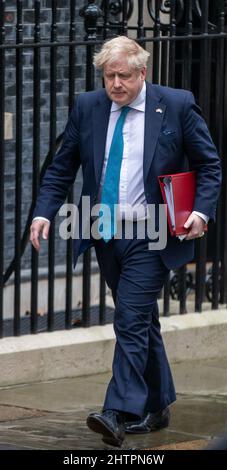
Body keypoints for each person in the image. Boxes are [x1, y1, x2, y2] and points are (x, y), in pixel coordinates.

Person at [30, 36, 221, 447]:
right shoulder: (88, 107)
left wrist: (200, 213)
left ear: (142, 73)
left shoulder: (176, 104)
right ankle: (159, 401)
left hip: (152, 233)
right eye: (108, 76)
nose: (115, 84)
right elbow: (62, 167)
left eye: (123, 76)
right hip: (106, 232)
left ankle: (118, 411)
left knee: (130, 320)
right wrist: (44, 212)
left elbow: (209, 165)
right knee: (142, 320)